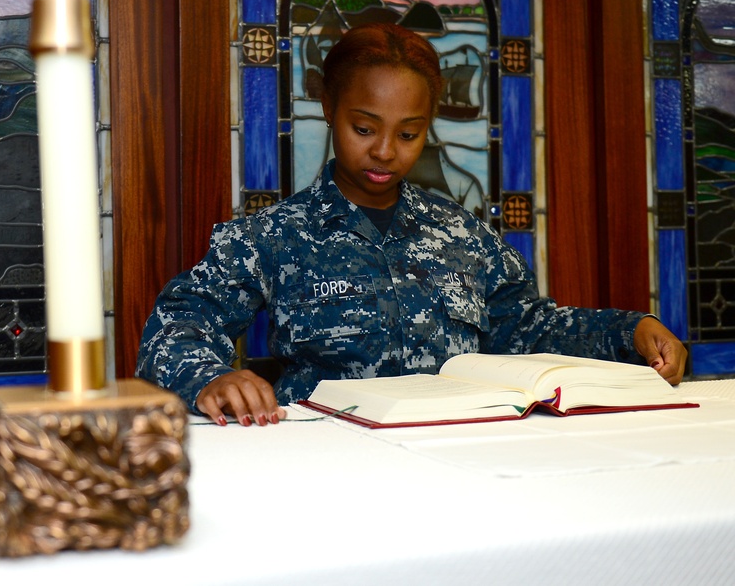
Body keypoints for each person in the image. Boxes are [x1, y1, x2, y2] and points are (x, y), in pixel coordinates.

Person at [136, 23, 688, 427]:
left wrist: (629, 332)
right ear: (328, 107)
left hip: (470, 454)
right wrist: (210, 377)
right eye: (363, 127)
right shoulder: (270, 237)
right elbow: (179, 324)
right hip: (325, 467)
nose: (384, 151)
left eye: (408, 134)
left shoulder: (462, 234)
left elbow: (529, 328)